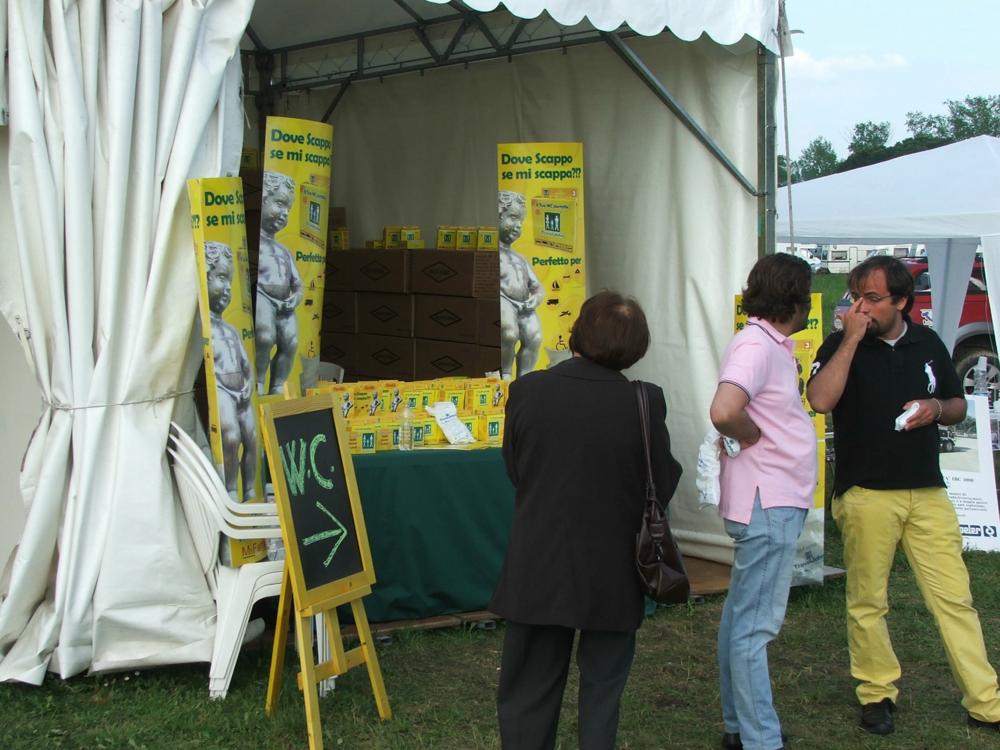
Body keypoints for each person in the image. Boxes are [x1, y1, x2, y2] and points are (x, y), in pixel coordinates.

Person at [807, 255, 1000, 736]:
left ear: (901, 302)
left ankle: (986, 702)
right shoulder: (840, 343)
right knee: (868, 600)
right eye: (856, 296)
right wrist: (851, 339)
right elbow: (821, 400)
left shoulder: (927, 342)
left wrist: (934, 407)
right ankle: (876, 693)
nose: (860, 306)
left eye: (872, 298)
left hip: (927, 491)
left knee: (954, 599)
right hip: (867, 492)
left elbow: (957, 405)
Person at [491, 290, 682, 750]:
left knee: (529, 689)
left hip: (542, 558)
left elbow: (517, 469)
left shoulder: (529, 390)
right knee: (603, 690)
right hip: (615, 565)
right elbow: (662, 481)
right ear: (636, 347)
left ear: (578, 331)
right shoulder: (644, 400)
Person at [709, 253, 815, 750]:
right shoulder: (756, 345)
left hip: (765, 500)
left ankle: (740, 728)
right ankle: (761, 740)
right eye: (807, 296)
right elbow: (724, 410)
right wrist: (751, 436)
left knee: (741, 619)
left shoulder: (763, 343)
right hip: (768, 502)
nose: (810, 306)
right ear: (793, 300)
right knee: (753, 628)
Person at [205, 241, 257, 501]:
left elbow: (246, 364)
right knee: (231, 435)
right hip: (222, 389)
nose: (227, 288)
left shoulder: (231, 330)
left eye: (230, 281)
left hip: (242, 392)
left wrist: (248, 384)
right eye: (221, 278)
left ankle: (250, 488)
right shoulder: (206, 331)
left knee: (253, 438)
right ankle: (231, 488)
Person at [255, 171, 303, 395]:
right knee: (264, 337)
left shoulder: (284, 251)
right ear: (263, 200)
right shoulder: (256, 246)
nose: (284, 213)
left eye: (288, 209)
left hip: (285, 304)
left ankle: (277, 385)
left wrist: (295, 298)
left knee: (291, 342)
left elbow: (298, 283)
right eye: (280, 204)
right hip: (263, 297)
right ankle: (258, 381)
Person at [498, 190, 545, 379]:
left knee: (535, 337)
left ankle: (526, 378)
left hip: (525, 305)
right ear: (498, 216)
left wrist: (536, 299)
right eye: (513, 218)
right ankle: (505, 376)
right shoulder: (490, 256)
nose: (518, 225)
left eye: (521, 221)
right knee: (509, 333)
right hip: (503, 300)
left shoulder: (520, 258)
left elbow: (537, 286)